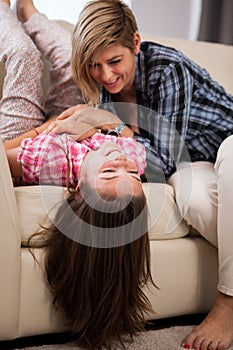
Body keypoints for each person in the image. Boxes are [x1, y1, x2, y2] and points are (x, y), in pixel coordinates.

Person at [44, 1, 233, 350]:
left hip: (227, 143)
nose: (105, 75)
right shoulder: (101, 86)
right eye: (94, 65)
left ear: (135, 43)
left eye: (114, 62)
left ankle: (228, 303)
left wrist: (107, 122)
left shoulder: (167, 68)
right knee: (193, 200)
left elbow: (161, 159)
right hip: (194, 161)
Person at [0, 1, 156, 349]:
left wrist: (55, 127)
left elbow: (4, 158)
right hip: (78, 122)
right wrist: (98, 122)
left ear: (75, 188)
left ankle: (5, 10)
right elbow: (128, 137)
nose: (120, 159)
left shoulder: (52, 162)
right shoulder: (131, 159)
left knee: (24, 58)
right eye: (130, 172)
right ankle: (29, 11)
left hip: (32, 136)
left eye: (109, 170)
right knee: (71, 66)